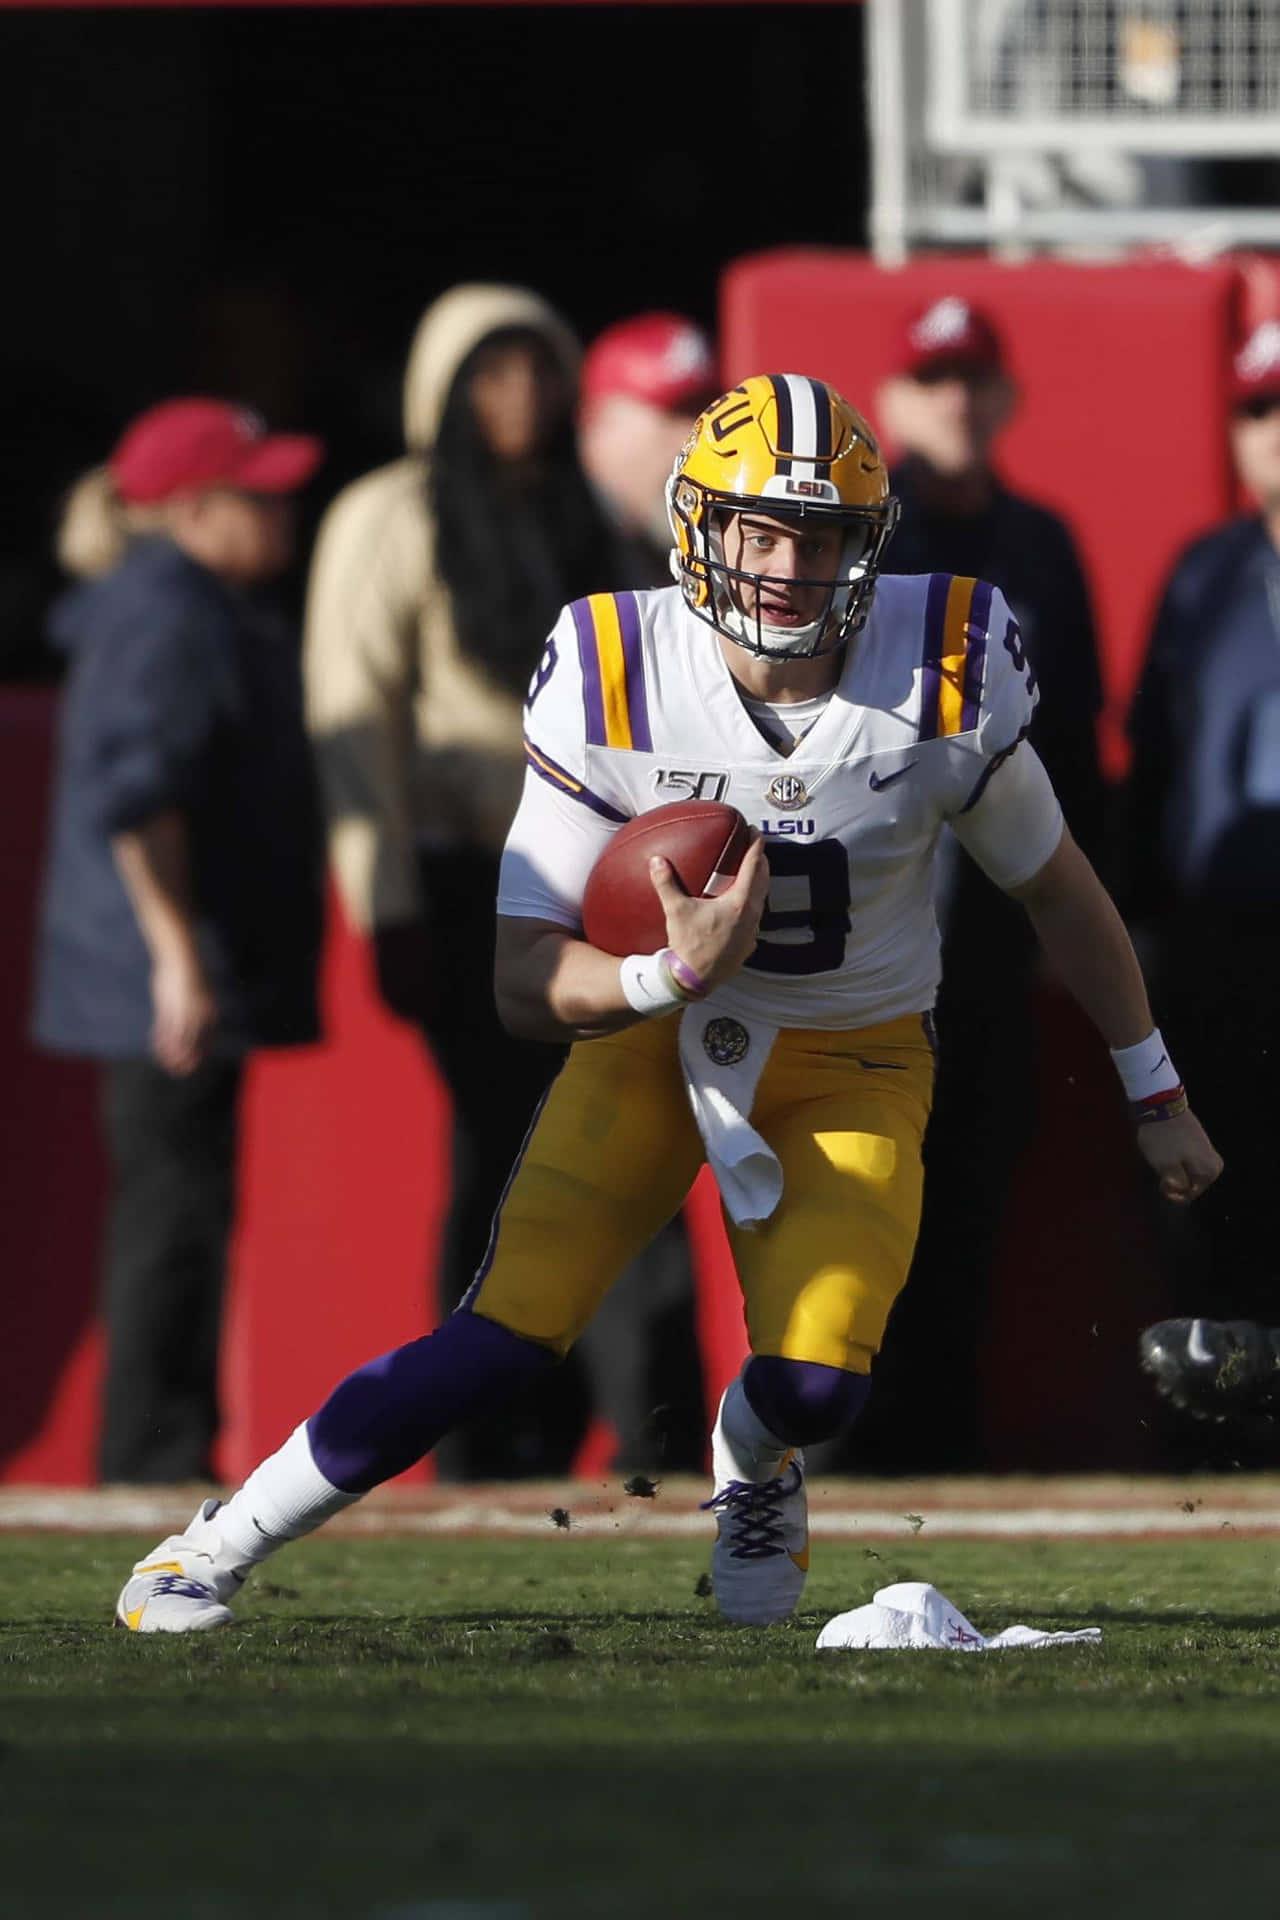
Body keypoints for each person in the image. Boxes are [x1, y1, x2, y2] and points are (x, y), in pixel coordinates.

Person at [114, 372, 1221, 1634]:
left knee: (815, 1386)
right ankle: (210, 1545)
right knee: (500, 1338)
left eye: (820, 536)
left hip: (852, 1056)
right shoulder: (611, 661)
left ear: (868, 547)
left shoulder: (947, 660)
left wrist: (1154, 1087)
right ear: (699, 525)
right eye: (760, 528)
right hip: (649, 1041)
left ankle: (752, 1467)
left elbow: (1059, 892)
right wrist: (664, 975)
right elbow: (523, 978)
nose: (789, 566)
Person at [302, 283, 640, 1477]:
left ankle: (595, 1431)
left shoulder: (586, 515)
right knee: (500, 1150)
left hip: (595, 888)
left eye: (540, 370)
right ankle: (472, 1436)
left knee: (602, 1150)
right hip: (457, 886)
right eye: (489, 374)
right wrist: (382, 902)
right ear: (439, 391)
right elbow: (356, 725)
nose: (519, 398)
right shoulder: (385, 518)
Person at [31, 397, 326, 1484]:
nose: (285, 514)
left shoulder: (182, 601)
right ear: (198, 508)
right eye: (263, 495)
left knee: (185, 1207)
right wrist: (175, 957)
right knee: (172, 1214)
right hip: (158, 976)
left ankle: (163, 1448)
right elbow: (138, 795)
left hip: (162, 967)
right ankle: (150, 1459)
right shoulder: (167, 608)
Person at [842, 293, 1107, 1473]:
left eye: (969, 381)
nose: (951, 402)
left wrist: (1076, 915)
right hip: (871, 919)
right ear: (895, 400)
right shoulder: (857, 537)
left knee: (973, 1186)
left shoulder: (1039, 543)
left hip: (992, 923)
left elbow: (1080, 737)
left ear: (1002, 399)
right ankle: (843, 1433)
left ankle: (940, 1439)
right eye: (929, 381)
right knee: (856, 1180)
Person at [1123, 316, 1280, 1463]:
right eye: (1261, 410)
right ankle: (1214, 1432)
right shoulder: (1205, 570)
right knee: (1214, 1181)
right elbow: (1153, 755)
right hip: (1224, 930)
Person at [578, 311, 720, 585]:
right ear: (597, 425)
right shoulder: (543, 548)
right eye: (677, 413)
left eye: (709, 414)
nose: (700, 437)